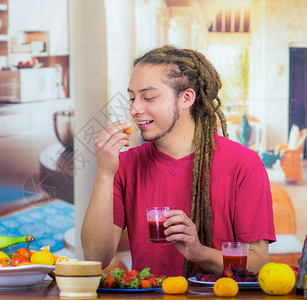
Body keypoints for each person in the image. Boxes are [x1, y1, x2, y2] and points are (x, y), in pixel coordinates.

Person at [81, 45, 276, 277]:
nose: (134, 109)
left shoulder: (244, 164)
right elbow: (95, 257)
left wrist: (199, 252)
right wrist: (104, 172)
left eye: (148, 97)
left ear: (186, 98)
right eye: (132, 98)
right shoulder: (123, 165)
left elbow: (258, 262)